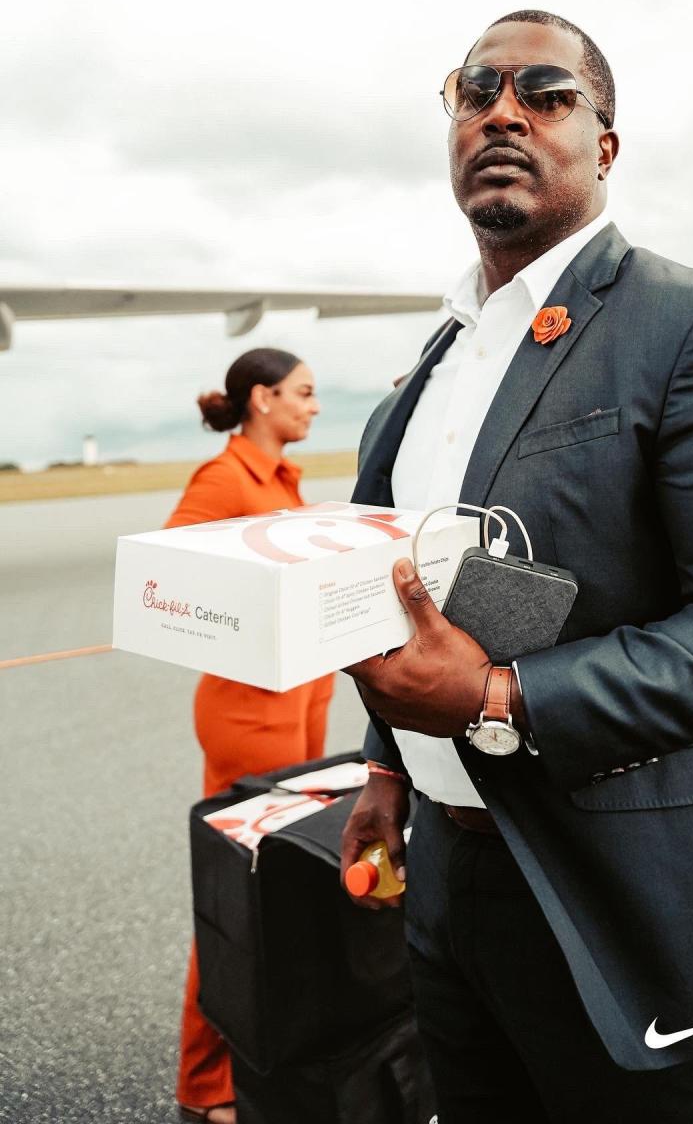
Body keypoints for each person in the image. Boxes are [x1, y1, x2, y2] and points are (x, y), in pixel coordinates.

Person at [339, 9, 693, 1123]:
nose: (503, 112)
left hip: (626, 893)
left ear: (605, 144)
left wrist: (493, 696)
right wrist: (388, 768)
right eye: (476, 91)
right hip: (452, 875)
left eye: (545, 92)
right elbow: (409, 595)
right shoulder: (437, 359)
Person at [167, 348, 335, 1124]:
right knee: (242, 891)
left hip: (300, 700)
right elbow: (168, 579)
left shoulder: (282, 477)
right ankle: (205, 1085)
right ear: (262, 400)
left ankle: (261, 1059)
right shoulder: (223, 478)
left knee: (279, 893)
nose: (315, 406)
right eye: (303, 394)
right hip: (250, 709)